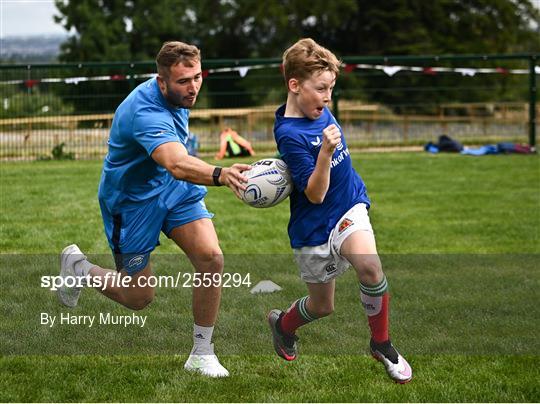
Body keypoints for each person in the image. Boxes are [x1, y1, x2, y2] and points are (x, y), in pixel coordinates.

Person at [57, 41, 250, 378]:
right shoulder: (145, 112)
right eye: (183, 82)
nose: (193, 88)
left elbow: (176, 168)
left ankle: (202, 353)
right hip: (131, 203)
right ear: (161, 82)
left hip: (174, 190)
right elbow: (176, 162)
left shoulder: (180, 95)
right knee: (138, 297)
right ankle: (79, 268)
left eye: (197, 77)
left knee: (211, 257)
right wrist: (220, 174)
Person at [268, 38, 412, 384]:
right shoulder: (289, 133)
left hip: (348, 204)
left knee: (370, 267)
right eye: (321, 89)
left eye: (331, 87)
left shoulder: (318, 107)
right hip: (313, 227)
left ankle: (382, 343)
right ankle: (283, 325)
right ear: (294, 85)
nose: (328, 97)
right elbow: (315, 195)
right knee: (322, 307)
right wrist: (324, 155)